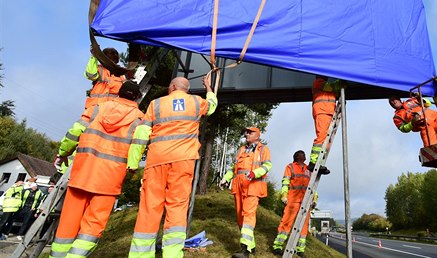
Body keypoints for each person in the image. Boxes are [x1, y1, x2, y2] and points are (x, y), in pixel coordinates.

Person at [50, 81, 147, 257]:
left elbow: (74, 131)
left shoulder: (97, 108)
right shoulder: (140, 119)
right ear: (138, 97)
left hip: (83, 173)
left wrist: (63, 152)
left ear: (119, 92)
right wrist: (132, 166)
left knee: (67, 223)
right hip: (110, 179)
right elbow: (138, 144)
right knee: (93, 226)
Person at [129, 76, 218, 258]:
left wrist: (133, 162)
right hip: (183, 161)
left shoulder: (156, 104)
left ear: (173, 87)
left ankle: (140, 255)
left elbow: (142, 133)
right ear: (186, 88)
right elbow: (212, 106)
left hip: (157, 160)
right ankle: (172, 253)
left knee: (149, 207)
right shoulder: (195, 101)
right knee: (177, 207)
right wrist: (209, 87)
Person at [220, 127, 272, 258]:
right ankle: (251, 246)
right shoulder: (241, 149)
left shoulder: (263, 149)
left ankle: (245, 250)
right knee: (240, 217)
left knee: (248, 215)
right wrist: (226, 178)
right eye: (246, 132)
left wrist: (255, 173)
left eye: (250, 132)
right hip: (238, 186)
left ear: (257, 136)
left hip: (253, 186)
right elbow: (234, 168)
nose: (247, 134)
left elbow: (267, 166)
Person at [272, 150, 316, 256]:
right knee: (286, 223)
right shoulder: (290, 167)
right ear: (297, 157)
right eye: (302, 154)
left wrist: (314, 199)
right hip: (292, 200)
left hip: (305, 202)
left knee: (304, 226)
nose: (304, 155)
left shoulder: (309, 169)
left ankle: (300, 249)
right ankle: (278, 246)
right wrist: (284, 195)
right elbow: (285, 182)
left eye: (304, 154)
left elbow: (313, 186)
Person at [309, 75, 343, 175]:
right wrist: (340, 81)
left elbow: (334, 90)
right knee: (322, 137)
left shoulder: (325, 86)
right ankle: (313, 162)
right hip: (322, 111)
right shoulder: (318, 82)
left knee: (327, 140)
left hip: (328, 112)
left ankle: (319, 162)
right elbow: (331, 87)